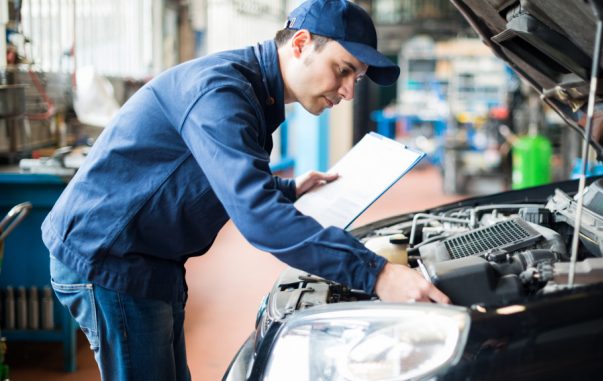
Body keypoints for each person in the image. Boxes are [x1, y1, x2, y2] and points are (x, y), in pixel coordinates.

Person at [43, 0, 450, 379]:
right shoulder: (221, 93)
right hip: (110, 258)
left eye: (356, 79)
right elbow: (259, 219)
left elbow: (205, 171)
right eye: (343, 70)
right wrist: (377, 273)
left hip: (152, 258)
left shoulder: (255, 93)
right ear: (301, 43)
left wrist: (288, 189)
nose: (348, 91)